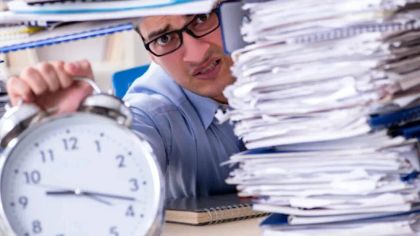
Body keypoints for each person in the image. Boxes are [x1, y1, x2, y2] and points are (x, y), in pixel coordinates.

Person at [6, 8, 245, 199]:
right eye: (165, 38)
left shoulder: (277, 55)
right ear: (150, 54)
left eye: (201, 19)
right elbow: (117, 165)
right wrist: (70, 138)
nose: (196, 55)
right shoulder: (154, 110)